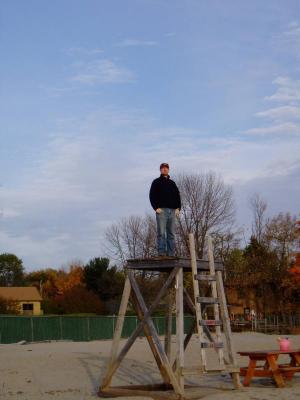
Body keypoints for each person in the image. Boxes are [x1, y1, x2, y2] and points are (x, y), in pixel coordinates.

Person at [149, 163, 181, 256]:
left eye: (166, 168)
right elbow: (152, 195)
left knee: (171, 233)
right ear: (160, 170)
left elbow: (177, 196)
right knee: (161, 232)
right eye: (163, 168)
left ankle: (171, 253)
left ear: (168, 170)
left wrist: (178, 208)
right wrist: (155, 208)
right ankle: (162, 252)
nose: (164, 169)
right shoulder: (156, 182)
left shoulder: (172, 183)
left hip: (173, 211)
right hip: (162, 211)